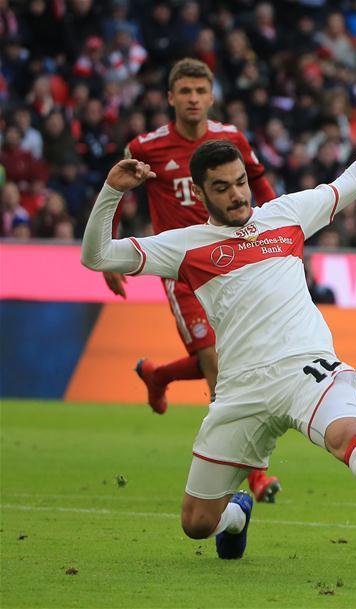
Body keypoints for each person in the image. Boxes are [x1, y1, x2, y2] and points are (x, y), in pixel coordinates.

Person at [80, 86, 356, 560]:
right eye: (222, 188)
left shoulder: (285, 215)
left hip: (304, 366)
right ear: (200, 192)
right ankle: (237, 515)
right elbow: (97, 256)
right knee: (196, 523)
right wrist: (111, 192)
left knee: (346, 433)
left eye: (240, 182)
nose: (237, 194)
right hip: (240, 389)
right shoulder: (184, 244)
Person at [101, 58, 281, 503]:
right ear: (170, 97)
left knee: (231, 357)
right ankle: (253, 473)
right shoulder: (146, 146)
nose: (193, 99)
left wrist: (280, 231)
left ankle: (158, 375)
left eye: (201, 91)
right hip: (181, 268)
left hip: (231, 264)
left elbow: (260, 185)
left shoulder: (232, 139)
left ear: (212, 96)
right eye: (185, 91)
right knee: (216, 361)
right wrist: (109, 254)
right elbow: (117, 191)